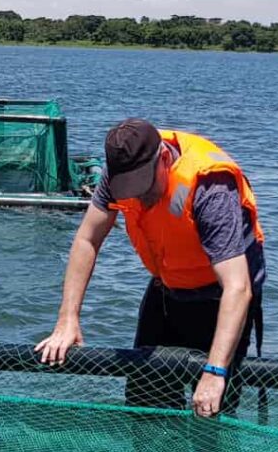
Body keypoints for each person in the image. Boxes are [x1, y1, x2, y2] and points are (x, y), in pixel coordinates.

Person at [36, 119, 265, 419]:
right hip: (167, 290)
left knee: (211, 414)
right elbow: (87, 239)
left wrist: (214, 370)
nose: (138, 195)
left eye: (144, 185)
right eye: (129, 187)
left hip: (221, 300)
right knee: (146, 408)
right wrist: (67, 320)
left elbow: (238, 287)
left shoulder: (210, 188)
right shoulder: (119, 172)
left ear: (165, 159)